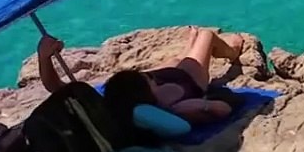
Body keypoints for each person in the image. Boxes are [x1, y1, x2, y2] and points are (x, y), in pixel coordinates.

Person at [37, 28, 242, 126]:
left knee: (175, 58)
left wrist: (44, 56)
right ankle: (232, 52)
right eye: (149, 81)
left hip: (170, 73)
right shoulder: (173, 110)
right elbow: (222, 111)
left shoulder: (113, 102)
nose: (152, 80)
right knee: (206, 36)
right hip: (188, 78)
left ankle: (189, 48)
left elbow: (54, 86)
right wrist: (203, 105)